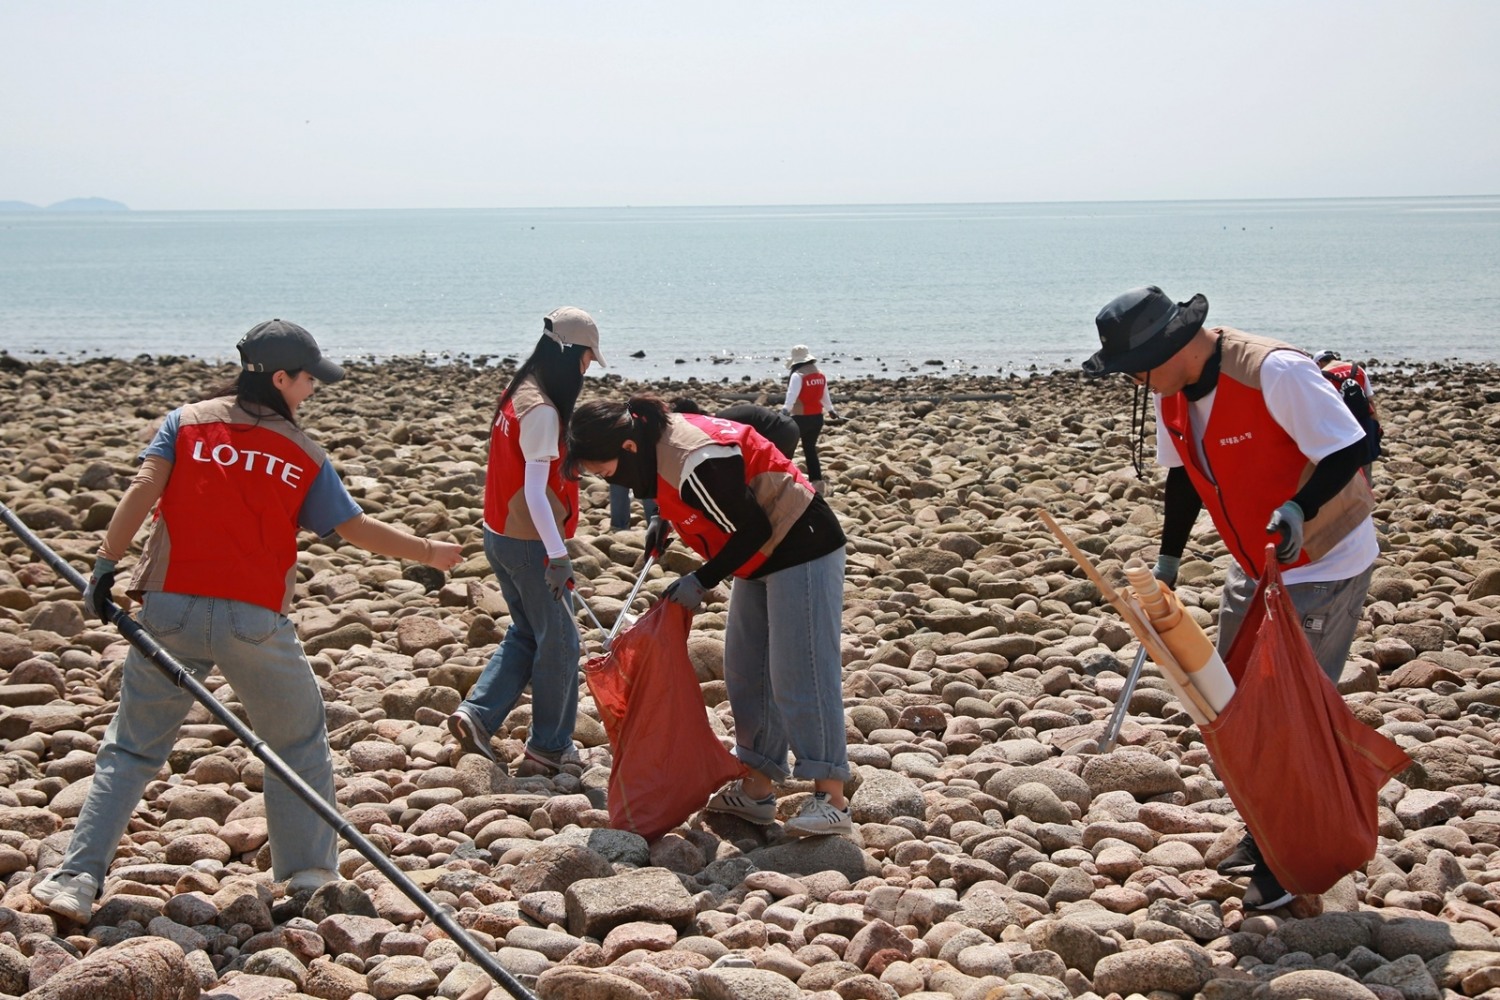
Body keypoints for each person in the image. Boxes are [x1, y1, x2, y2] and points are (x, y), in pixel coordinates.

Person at [31, 319, 464, 923]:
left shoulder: (186, 423)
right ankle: (309, 874)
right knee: (296, 742)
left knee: (130, 750)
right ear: (280, 378)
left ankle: (75, 880)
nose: (313, 388)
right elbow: (353, 529)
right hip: (255, 619)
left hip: (167, 611)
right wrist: (429, 551)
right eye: (308, 378)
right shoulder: (303, 452)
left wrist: (104, 566)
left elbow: (143, 488)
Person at [1083, 286, 1378, 912]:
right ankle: (1266, 826)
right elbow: (1183, 478)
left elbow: (1349, 445)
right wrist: (1169, 559)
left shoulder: (1274, 372)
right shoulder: (1170, 390)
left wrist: (1300, 506)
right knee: (1236, 700)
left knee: (1290, 711)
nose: (1133, 381)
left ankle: (1292, 858)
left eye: (1136, 367)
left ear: (1171, 348)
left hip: (1324, 558)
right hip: (1256, 563)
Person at [566, 395, 853, 837]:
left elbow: (752, 527)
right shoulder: (652, 438)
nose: (609, 482)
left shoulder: (695, 460)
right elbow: (700, 498)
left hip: (801, 544)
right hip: (757, 558)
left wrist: (701, 580)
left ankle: (832, 798)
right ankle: (756, 789)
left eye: (605, 473)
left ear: (627, 448)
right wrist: (665, 519)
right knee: (747, 670)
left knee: (801, 670)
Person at [447, 307, 604, 774]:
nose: (589, 368)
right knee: (561, 643)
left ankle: (477, 714)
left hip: (498, 533)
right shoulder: (543, 412)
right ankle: (549, 747)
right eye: (588, 358)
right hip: (528, 543)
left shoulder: (520, 390)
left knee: (527, 632)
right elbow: (535, 492)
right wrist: (558, 556)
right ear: (572, 355)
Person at [781, 345, 837, 494]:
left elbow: (791, 396)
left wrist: (784, 411)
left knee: (788, 448)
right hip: (817, 418)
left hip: (800, 419)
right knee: (810, 449)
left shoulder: (798, 375)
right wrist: (831, 411)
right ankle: (817, 481)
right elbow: (825, 396)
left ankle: (783, 478)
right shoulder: (820, 374)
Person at [669, 397, 801, 459]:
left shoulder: (716, 426)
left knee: (763, 475)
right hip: (790, 427)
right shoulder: (720, 417)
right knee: (784, 474)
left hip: (779, 432)